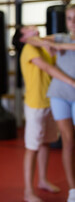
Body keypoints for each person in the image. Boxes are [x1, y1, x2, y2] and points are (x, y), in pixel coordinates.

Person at [17, 25, 75, 202]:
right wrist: (72, 82)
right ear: (23, 38)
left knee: (46, 143)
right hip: (35, 104)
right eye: (28, 28)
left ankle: (42, 179)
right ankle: (28, 191)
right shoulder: (29, 49)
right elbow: (49, 69)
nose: (33, 28)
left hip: (50, 100)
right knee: (32, 146)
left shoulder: (42, 46)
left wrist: (47, 44)